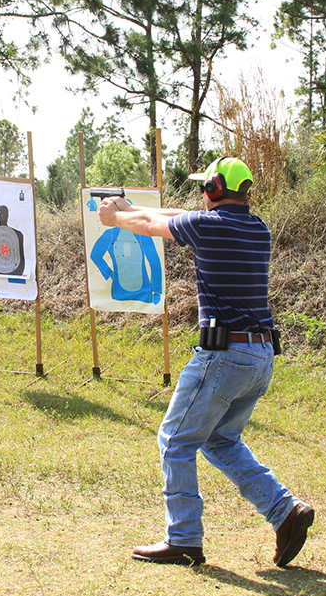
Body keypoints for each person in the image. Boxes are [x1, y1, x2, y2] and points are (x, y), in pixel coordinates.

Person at [96, 157, 314, 568]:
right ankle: (285, 512)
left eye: (204, 187)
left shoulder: (208, 226)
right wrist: (127, 210)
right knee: (220, 440)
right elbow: (178, 216)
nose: (201, 194)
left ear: (213, 189)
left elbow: (152, 226)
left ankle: (183, 539)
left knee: (175, 441)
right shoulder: (256, 227)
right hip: (260, 354)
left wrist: (117, 218)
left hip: (224, 354)